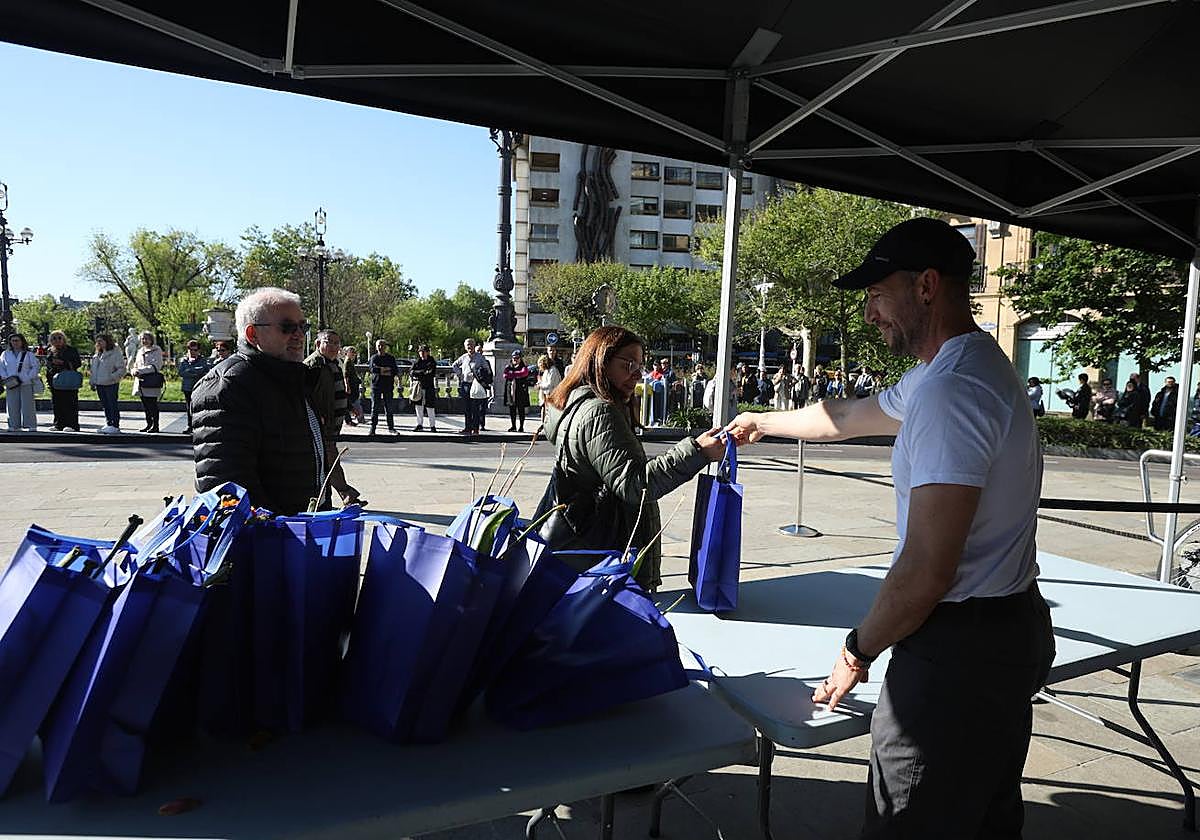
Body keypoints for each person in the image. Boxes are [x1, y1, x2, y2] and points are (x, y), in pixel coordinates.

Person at [728, 217, 1053, 837]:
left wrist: (857, 650)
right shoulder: (959, 367)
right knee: (983, 812)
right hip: (1002, 632)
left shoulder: (952, 391)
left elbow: (927, 569)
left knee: (911, 818)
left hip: (958, 652)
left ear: (926, 286)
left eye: (878, 294)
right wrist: (762, 421)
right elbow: (850, 416)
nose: (869, 313)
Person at [540, 325, 731, 591]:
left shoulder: (572, 402)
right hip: (607, 556)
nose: (637, 374)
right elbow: (636, 485)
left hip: (584, 545)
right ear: (600, 362)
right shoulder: (599, 413)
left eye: (640, 365)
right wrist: (698, 451)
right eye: (628, 364)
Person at [191, 287, 323, 516]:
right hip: (270, 532)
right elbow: (227, 486)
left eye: (303, 326)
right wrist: (276, 526)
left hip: (303, 526)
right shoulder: (228, 385)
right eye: (287, 327)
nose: (299, 335)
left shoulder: (292, 377)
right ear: (253, 334)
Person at [305, 329, 365, 508]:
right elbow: (307, 396)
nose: (333, 346)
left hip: (332, 423)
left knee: (328, 459)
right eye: (328, 342)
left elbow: (335, 392)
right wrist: (317, 416)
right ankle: (346, 495)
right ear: (318, 344)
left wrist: (349, 407)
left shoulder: (332, 363)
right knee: (329, 459)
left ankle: (341, 496)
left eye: (336, 343)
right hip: (321, 425)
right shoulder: (314, 364)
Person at [1, 332, 41, 431]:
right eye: (13, 341)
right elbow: (1, 367)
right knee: (12, 404)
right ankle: (13, 425)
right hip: (11, 382)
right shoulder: (5, 354)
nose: (15, 342)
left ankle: (31, 425)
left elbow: (35, 367)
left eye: (17, 340)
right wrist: (5, 377)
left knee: (28, 405)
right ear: (10, 342)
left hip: (26, 382)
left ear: (22, 342)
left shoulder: (28, 354)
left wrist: (28, 377)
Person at [45, 330, 83, 432]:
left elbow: (77, 363)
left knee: (70, 403)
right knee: (57, 403)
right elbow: (48, 365)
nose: (57, 340)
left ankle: (72, 425)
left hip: (68, 380)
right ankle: (58, 424)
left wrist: (63, 363)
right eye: (54, 338)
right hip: (55, 381)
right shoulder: (50, 351)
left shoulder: (71, 350)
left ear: (64, 339)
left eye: (59, 338)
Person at [453, 338, 491, 436]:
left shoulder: (480, 357)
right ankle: (467, 428)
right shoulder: (464, 357)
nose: (470, 346)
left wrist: (479, 374)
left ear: (474, 346)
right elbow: (454, 365)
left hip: (476, 385)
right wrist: (460, 374)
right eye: (468, 345)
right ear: (465, 347)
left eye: (471, 344)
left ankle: (475, 429)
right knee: (467, 408)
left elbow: (487, 369)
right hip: (466, 384)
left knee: (475, 408)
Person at [89, 333, 126, 433]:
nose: (99, 343)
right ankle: (109, 423)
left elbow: (122, 369)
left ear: (107, 341)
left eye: (101, 341)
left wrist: (112, 377)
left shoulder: (115, 353)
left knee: (112, 404)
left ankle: (115, 425)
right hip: (99, 383)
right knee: (105, 405)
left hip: (111, 384)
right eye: (97, 341)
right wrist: (92, 381)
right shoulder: (97, 355)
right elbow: (93, 370)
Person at [129, 330, 164, 433]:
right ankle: (148, 424)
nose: (144, 341)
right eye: (142, 339)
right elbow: (136, 364)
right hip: (141, 381)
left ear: (151, 340)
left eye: (146, 339)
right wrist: (133, 371)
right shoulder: (140, 351)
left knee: (152, 404)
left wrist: (140, 371)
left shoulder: (156, 350)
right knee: (145, 405)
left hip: (151, 381)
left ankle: (155, 425)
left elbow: (156, 366)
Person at [177, 339, 212, 433]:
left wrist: (190, 370)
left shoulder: (203, 360)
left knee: (199, 407)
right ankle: (190, 425)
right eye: (190, 349)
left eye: (195, 350)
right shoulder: (183, 360)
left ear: (199, 350)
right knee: (189, 408)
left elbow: (204, 371)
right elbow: (181, 372)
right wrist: (195, 371)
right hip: (187, 388)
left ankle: (199, 426)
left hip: (199, 387)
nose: (193, 352)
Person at [368, 339, 398, 436]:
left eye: (382, 345)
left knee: (389, 407)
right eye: (379, 345)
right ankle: (373, 428)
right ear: (376, 347)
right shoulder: (374, 358)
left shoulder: (391, 358)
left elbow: (394, 370)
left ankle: (391, 427)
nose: (381, 347)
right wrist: (386, 370)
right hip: (376, 386)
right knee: (375, 407)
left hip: (388, 386)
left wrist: (381, 370)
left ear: (386, 347)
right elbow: (373, 369)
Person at [410, 344, 439, 432]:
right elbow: (411, 372)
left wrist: (419, 373)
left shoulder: (431, 362)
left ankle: (432, 426)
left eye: (424, 351)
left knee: (430, 407)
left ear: (427, 352)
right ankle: (419, 424)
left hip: (429, 387)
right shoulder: (417, 361)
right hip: (419, 387)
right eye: (420, 351)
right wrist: (422, 372)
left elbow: (430, 373)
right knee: (418, 406)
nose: (422, 353)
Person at [502, 349, 532, 432]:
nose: (515, 359)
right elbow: (505, 375)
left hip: (520, 391)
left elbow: (524, 373)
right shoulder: (508, 367)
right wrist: (516, 374)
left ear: (520, 358)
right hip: (511, 391)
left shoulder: (523, 367)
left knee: (521, 409)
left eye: (517, 358)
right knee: (512, 409)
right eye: (514, 358)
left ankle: (521, 426)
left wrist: (512, 374)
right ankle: (513, 426)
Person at [342, 345, 365, 426]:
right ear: (347, 353)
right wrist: (347, 386)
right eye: (352, 352)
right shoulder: (347, 362)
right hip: (351, 386)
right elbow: (346, 375)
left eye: (354, 353)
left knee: (350, 403)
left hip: (353, 385)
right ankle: (359, 418)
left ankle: (353, 419)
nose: (354, 354)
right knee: (354, 402)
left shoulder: (350, 362)